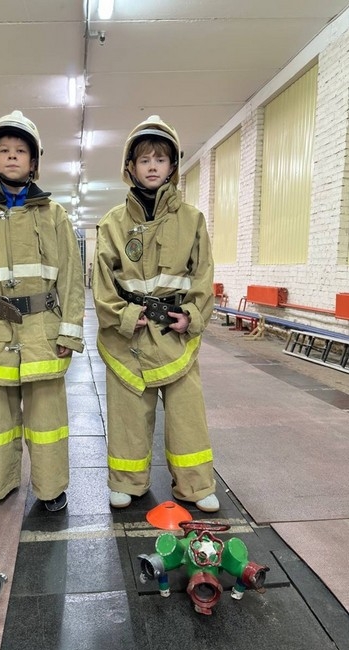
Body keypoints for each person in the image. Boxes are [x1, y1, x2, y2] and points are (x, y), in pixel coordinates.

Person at [0, 110, 84, 511]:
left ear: (33, 161)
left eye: (21, 150)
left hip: (43, 332)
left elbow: (71, 277)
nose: (12, 156)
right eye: (4, 150)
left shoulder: (54, 215)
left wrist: (70, 330)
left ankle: (51, 488)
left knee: (47, 420)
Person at [92, 114, 219, 513]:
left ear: (172, 166)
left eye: (160, 159)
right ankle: (127, 482)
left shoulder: (192, 220)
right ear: (129, 167)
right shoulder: (112, 223)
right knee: (127, 413)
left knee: (187, 415)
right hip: (127, 338)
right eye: (144, 159)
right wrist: (125, 317)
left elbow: (203, 274)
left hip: (174, 334)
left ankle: (196, 485)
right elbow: (101, 283)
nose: (152, 166)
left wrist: (192, 316)